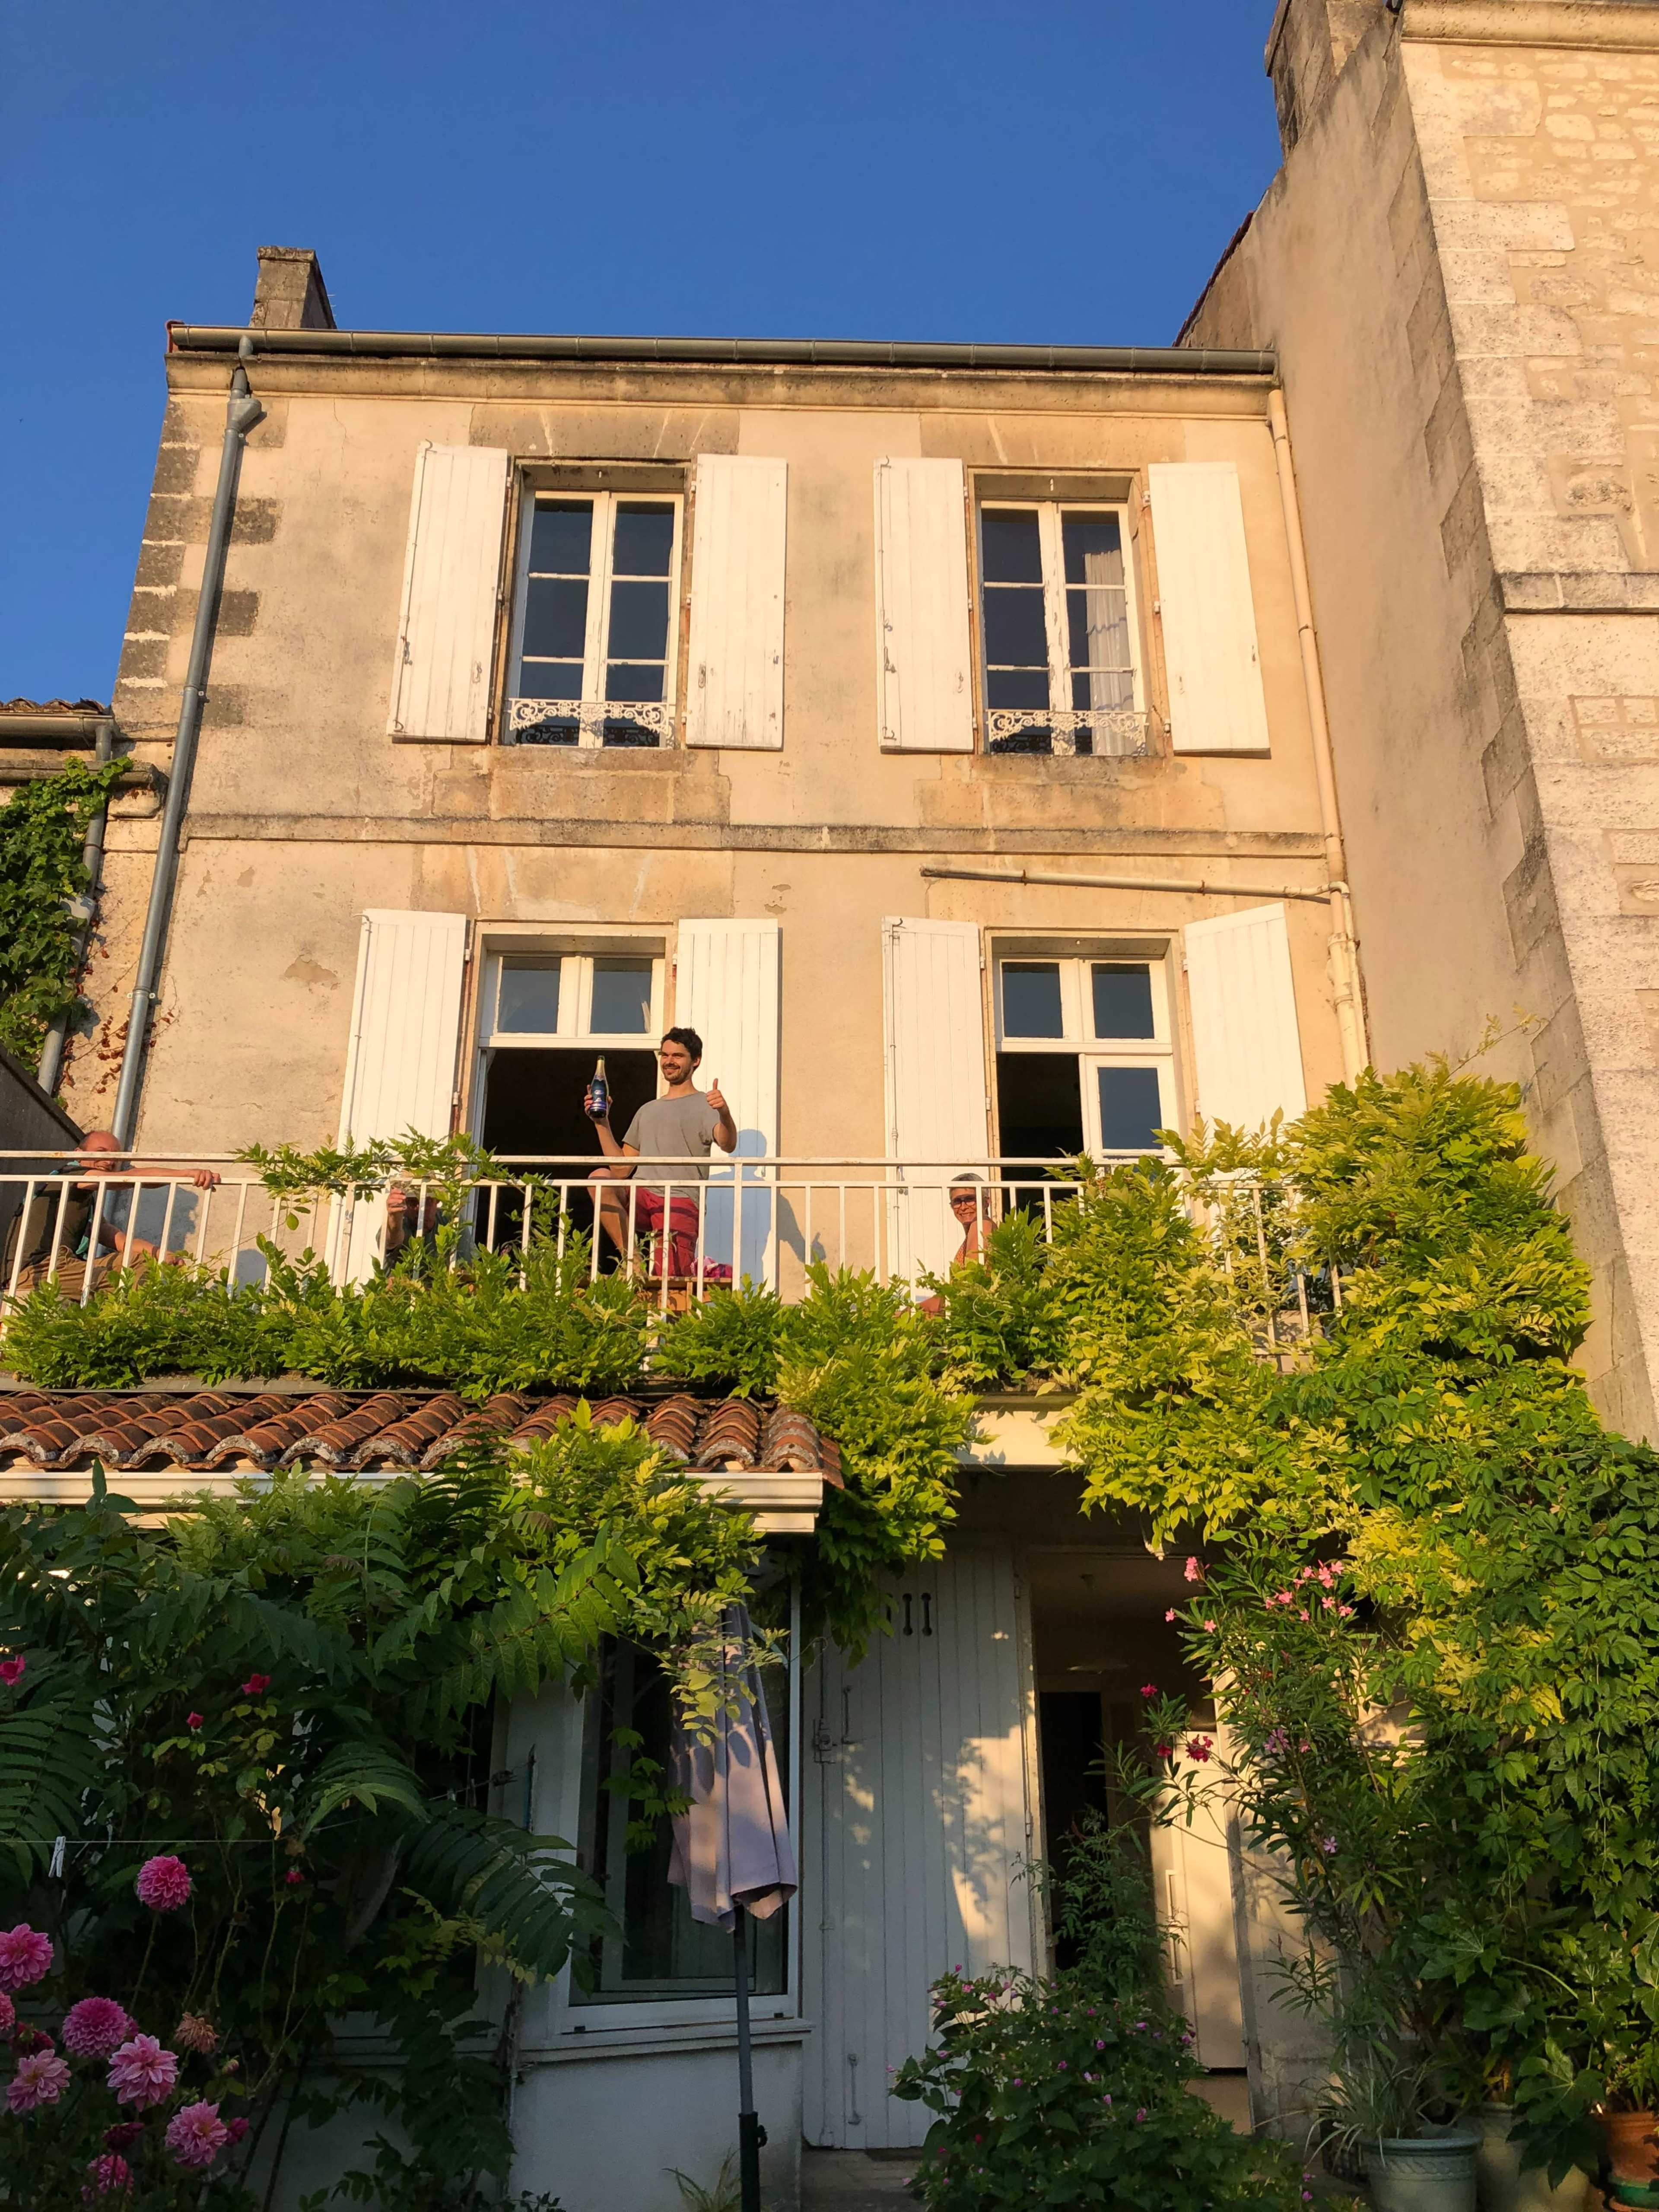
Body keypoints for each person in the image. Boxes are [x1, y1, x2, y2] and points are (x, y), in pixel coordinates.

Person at [1, 1131, 221, 1301]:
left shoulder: (82, 1203)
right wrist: (186, 1175)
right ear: (78, 1155)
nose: (109, 1161)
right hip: (36, 1270)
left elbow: (120, 1241)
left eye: (115, 1157)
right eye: (102, 1152)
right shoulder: (69, 1175)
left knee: (143, 1264)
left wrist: (162, 1254)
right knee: (126, 1275)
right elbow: (129, 1178)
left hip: (59, 1268)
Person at [586, 1028, 737, 1275]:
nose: (669, 1061)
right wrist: (601, 1123)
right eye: (665, 1055)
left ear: (695, 1060)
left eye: (678, 1056)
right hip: (643, 1194)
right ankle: (632, 1262)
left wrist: (724, 1113)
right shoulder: (648, 1110)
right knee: (600, 1178)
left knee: (670, 1283)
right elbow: (621, 1168)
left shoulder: (705, 1104)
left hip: (681, 1199)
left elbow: (728, 1143)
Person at [919, 1174, 992, 1316]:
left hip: (976, 1315)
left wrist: (914, 1311)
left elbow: (970, 1279)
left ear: (986, 1202)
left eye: (970, 1199)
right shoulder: (975, 1229)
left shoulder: (982, 1225)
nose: (963, 1207)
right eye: (957, 1201)